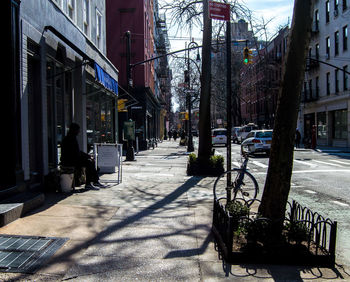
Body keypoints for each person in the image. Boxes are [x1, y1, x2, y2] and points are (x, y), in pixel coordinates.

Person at [61, 123, 106, 190]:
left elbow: (77, 152)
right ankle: (89, 183)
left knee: (90, 161)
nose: (79, 132)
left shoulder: (71, 138)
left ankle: (95, 181)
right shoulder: (69, 139)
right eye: (78, 130)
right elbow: (75, 153)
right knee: (89, 163)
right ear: (74, 130)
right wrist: (87, 156)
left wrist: (87, 156)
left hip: (72, 159)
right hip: (69, 161)